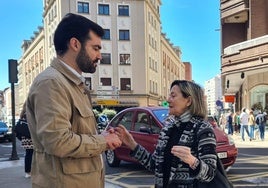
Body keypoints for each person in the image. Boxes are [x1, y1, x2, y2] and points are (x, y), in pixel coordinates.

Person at [26, 13, 122, 188]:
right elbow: (58, 142)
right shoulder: (52, 83)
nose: (100, 55)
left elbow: (76, 134)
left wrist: (102, 136)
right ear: (75, 44)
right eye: (95, 48)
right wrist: (103, 141)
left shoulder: (74, 84)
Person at [115, 80, 218, 187]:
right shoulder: (168, 128)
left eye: (173, 96)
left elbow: (210, 174)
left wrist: (192, 161)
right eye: (169, 95)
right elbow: (155, 165)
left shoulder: (203, 129)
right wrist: (132, 144)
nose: (168, 100)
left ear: (188, 101)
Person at [16, 102, 33, 178]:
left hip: (25, 139)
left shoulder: (22, 115)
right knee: (32, 155)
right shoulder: (30, 114)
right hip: (31, 138)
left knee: (28, 155)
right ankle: (30, 171)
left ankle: (27, 172)